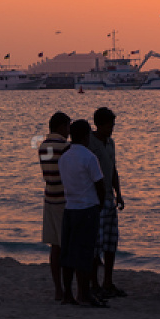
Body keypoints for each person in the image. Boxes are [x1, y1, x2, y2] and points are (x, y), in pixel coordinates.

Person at [56, 119, 107, 308]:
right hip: (87, 208)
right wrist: (100, 204)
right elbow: (99, 184)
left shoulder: (64, 157)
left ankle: (68, 294)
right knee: (85, 254)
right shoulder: (89, 157)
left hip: (70, 208)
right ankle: (84, 294)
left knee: (68, 253)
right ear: (86, 136)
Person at [88, 107, 126, 299]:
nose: (113, 128)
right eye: (110, 124)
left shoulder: (110, 143)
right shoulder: (89, 143)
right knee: (96, 244)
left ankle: (108, 282)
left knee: (111, 242)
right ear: (100, 124)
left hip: (110, 199)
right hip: (95, 201)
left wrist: (118, 193)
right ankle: (94, 283)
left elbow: (113, 169)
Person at [38, 111, 72, 301]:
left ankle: (57, 288)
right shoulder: (66, 147)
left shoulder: (43, 146)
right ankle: (66, 289)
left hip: (49, 197)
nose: (69, 131)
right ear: (61, 127)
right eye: (67, 127)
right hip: (63, 200)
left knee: (55, 246)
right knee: (66, 246)